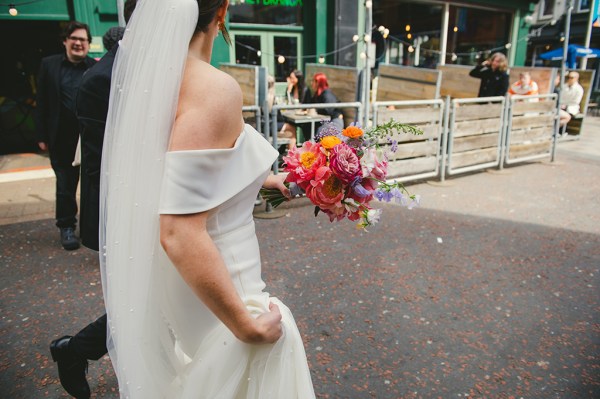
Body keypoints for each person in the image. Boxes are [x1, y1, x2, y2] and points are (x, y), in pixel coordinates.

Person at [100, 0, 315, 397]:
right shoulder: (214, 88)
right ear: (223, 12)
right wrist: (243, 324)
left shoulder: (152, 84)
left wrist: (266, 180)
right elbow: (178, 230)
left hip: (185, 284)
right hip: (229, 284)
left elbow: (181, 175)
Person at [48, 3, 138, 398]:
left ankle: (77, 349)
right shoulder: (103, 78)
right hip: (125, 212)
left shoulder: (144, 68)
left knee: (154, 299)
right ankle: (75, 349)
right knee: (147, 300)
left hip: (150, 204)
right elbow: (103, 164)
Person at [35, 21, 96, 251]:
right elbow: (41, 102)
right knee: (65, 187)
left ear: (89, 44)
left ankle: (90, 228)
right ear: (65, 41)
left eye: (83, 40)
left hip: (88, 141)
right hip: (61, 139)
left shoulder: (94, 67)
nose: (79, 43)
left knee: (91, 188)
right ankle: (67, 227)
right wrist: (41, 134)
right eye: (75, 39)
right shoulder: (49, 66)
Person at [278, 69, 312, 148]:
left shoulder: (305, 90)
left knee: (306, 127)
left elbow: (307, 106)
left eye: (292, 78)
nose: (290, 80)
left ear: (298, 79)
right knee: (287, 123)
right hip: (292, 115)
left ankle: (307, 146)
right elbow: (287, 102)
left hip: (302, 116)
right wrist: (288, 92)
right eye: (290, 77)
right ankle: (288, 148)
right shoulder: (291, 88)